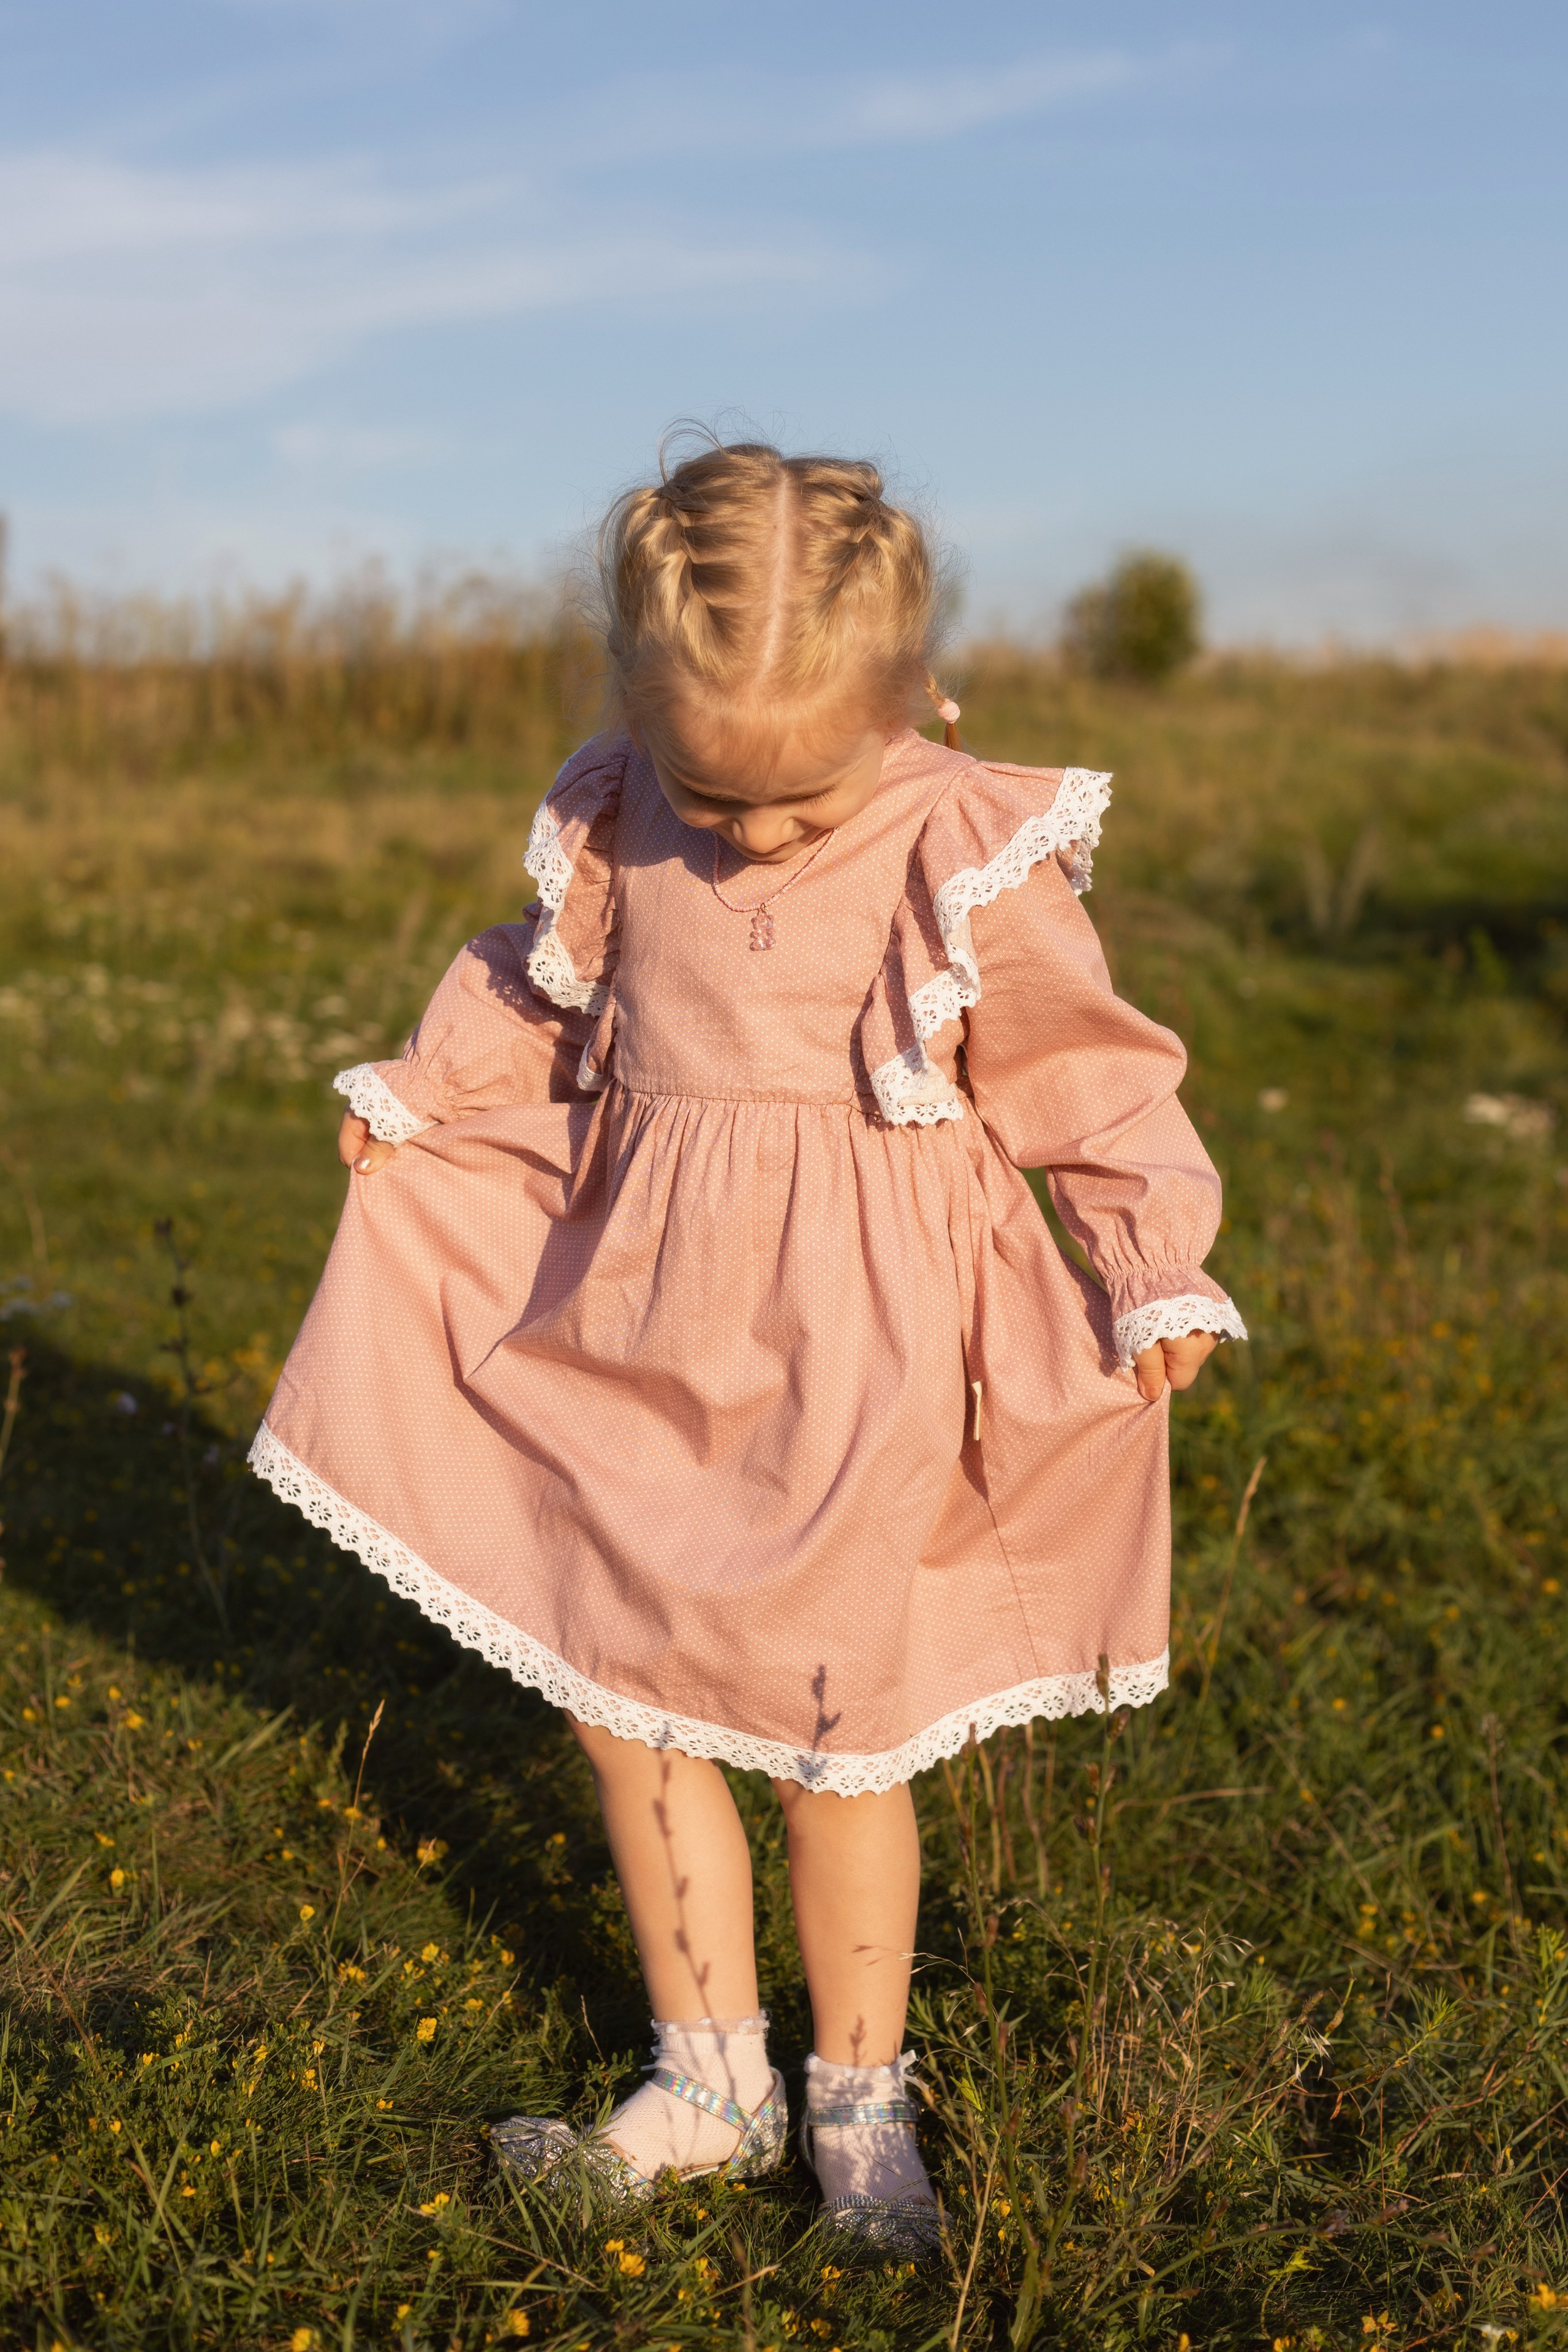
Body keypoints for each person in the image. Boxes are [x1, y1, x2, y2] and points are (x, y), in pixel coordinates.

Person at [249, 435, 1246, 2253]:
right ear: (638, 704)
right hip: (638, 1312)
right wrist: (432, 1097)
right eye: (720, 794)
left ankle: (860, 2099)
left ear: (901, 700)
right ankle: (709, 2071)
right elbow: (540, 990)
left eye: (799, 802)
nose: (759, 836)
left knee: (829, 1729)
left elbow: (1081, 1065)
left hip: (857, 1349)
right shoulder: (622, 804)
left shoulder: (959, 836)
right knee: (624, 1690)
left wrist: (1146, 1256)